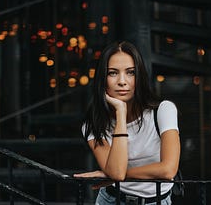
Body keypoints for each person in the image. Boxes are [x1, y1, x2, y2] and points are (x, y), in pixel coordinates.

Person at [74, 41, 180, 205]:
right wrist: (121, 113)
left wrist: (113, 175)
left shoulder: (163, 111)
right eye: (113, 73)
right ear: (103, 79)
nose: (122, 81)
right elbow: (116, 173)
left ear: (140, 76)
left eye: (130, 73)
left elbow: (168, 169)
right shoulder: (93, 123)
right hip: (111, 200)